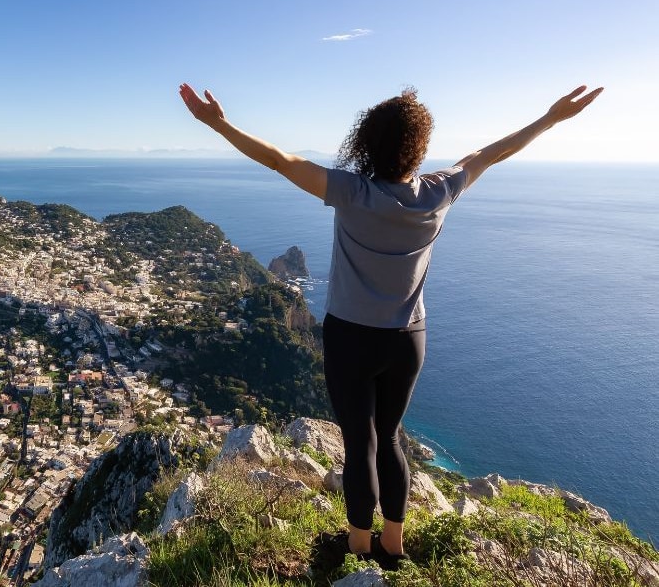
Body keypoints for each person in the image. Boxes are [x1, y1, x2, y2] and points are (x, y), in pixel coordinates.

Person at [179, 82, 602, 569]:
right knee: (393, 435)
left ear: (367, 143)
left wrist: (218, 124)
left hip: (351, 337)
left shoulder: (351, 192)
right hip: (408, 340)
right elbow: (493, 152)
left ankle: (358, 546)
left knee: (359, 442)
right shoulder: (439, 192)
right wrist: (550, 118)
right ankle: (394, 547)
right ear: (419, 147)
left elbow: (278, 160)